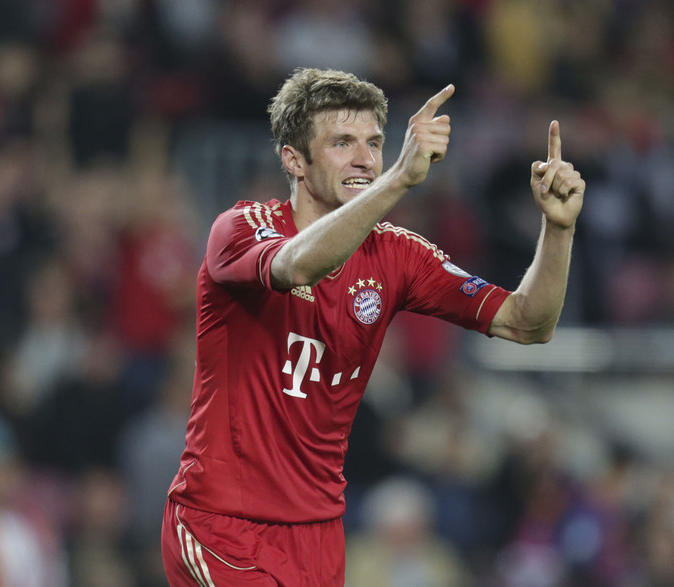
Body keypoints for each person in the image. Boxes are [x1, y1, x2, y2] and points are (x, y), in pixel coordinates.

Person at [160, 68, 585, 586]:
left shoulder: (398, 255)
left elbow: (527, 323)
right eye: (342, 142)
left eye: (375, 143)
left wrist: (558, 228)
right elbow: (298, 265)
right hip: (223, 526)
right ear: (294, 160)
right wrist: (397, 180)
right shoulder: (241, 228)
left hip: (318, 535)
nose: (364, 158)